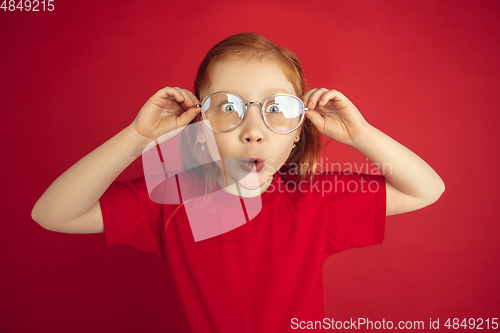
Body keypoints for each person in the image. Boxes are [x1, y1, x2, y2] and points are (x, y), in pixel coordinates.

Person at [31, 32, 445, 332]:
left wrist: (360, 134)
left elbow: (427, 188)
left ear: (299, 128)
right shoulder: (168, 199)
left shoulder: (315, 200)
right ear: (199, 123)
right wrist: (137, 137)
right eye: (227, 107)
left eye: (277, 108)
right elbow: (52, 213)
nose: (253, 130)